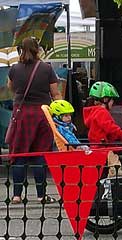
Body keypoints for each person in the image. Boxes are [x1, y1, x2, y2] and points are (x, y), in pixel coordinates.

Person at [7, 37, 62, 204]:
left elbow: (11, 87)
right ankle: (41, 195)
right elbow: (55, 93)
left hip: (21, 115)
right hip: (41, 115)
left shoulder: (14, 69)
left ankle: (17, 195)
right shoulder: (46, 68)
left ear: (20, 50)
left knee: (19, 154)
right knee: (40, 154)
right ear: (38, 50)